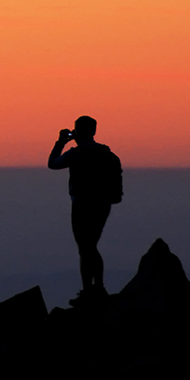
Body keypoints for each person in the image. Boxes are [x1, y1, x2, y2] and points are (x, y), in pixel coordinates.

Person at [48, 115, 122, 307]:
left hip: (82, 204)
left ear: (78, 131)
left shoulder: (76, 154)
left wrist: (61, 142)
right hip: (102, 204)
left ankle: (90, 291)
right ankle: (97, 288)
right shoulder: (106, 154)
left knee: (85, 247)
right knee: (91, 246)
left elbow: (53, 163)